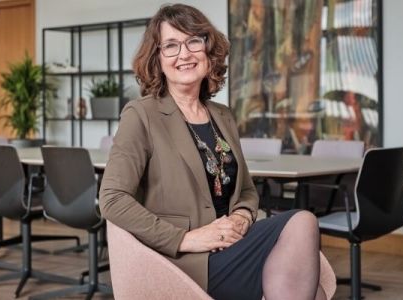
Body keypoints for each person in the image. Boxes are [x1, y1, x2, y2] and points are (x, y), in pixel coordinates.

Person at [99, 4, 325, 300]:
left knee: (305, 264)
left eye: (193, 41)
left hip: (230, 244)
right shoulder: (141, 114)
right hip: (185, 260)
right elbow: (112, 199)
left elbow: (245, 189)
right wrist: (185, 239)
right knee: (302, 225)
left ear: (208, 49)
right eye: (170, 45)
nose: (184, 54)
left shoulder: (223, 115)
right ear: (157, 58)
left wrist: (243, 217)